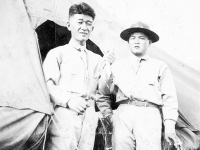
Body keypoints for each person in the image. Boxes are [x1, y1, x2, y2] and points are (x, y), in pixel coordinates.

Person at [97, 21, 182, 150]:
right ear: (128, 42)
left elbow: (169, 99)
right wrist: (106, 69)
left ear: (149, 42)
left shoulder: (160, 66)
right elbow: (104, 91)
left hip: (149, 115)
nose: (136, 42)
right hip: (123, 114)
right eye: (133, 38)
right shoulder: (117, 65)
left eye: (141, 38)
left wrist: (170, 127)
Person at [43, 2, 115, 150]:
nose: (84, 27)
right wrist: (69, 100)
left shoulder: (97, 59)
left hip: (89, 118)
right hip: (64, 116)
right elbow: (47, 87)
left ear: (92, 28)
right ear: (69, 25)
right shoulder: (57, 54)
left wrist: (108, 66)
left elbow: (104, 91)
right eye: (80, 22)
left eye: (88, 23)